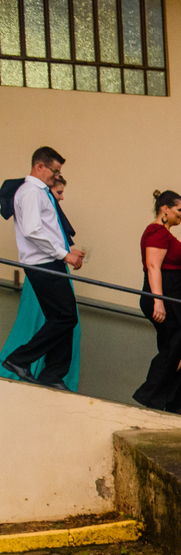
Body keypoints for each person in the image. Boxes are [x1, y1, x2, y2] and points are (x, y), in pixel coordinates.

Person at [1, 147, 86, 391]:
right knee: (66, 316)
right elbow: (31, 230)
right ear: (40, 166)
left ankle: (53, 373)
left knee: (62, 317)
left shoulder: (39, 193)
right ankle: (20, 359)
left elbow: (46, 229)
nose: (57, 177)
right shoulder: (30, 192)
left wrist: (67, 252)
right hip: (43, 264)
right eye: (55, 171)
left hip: (49, 262)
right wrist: (64, 254)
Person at [132, 191, 181, 413]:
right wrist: (158, 301)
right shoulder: (156, 231)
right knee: (176, 346)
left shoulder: (164, 233)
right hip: (166, 296)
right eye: (179, 210)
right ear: (165, 209)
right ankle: (151, 394)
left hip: (176, 298)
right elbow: (153, 266)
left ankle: (172, 399)